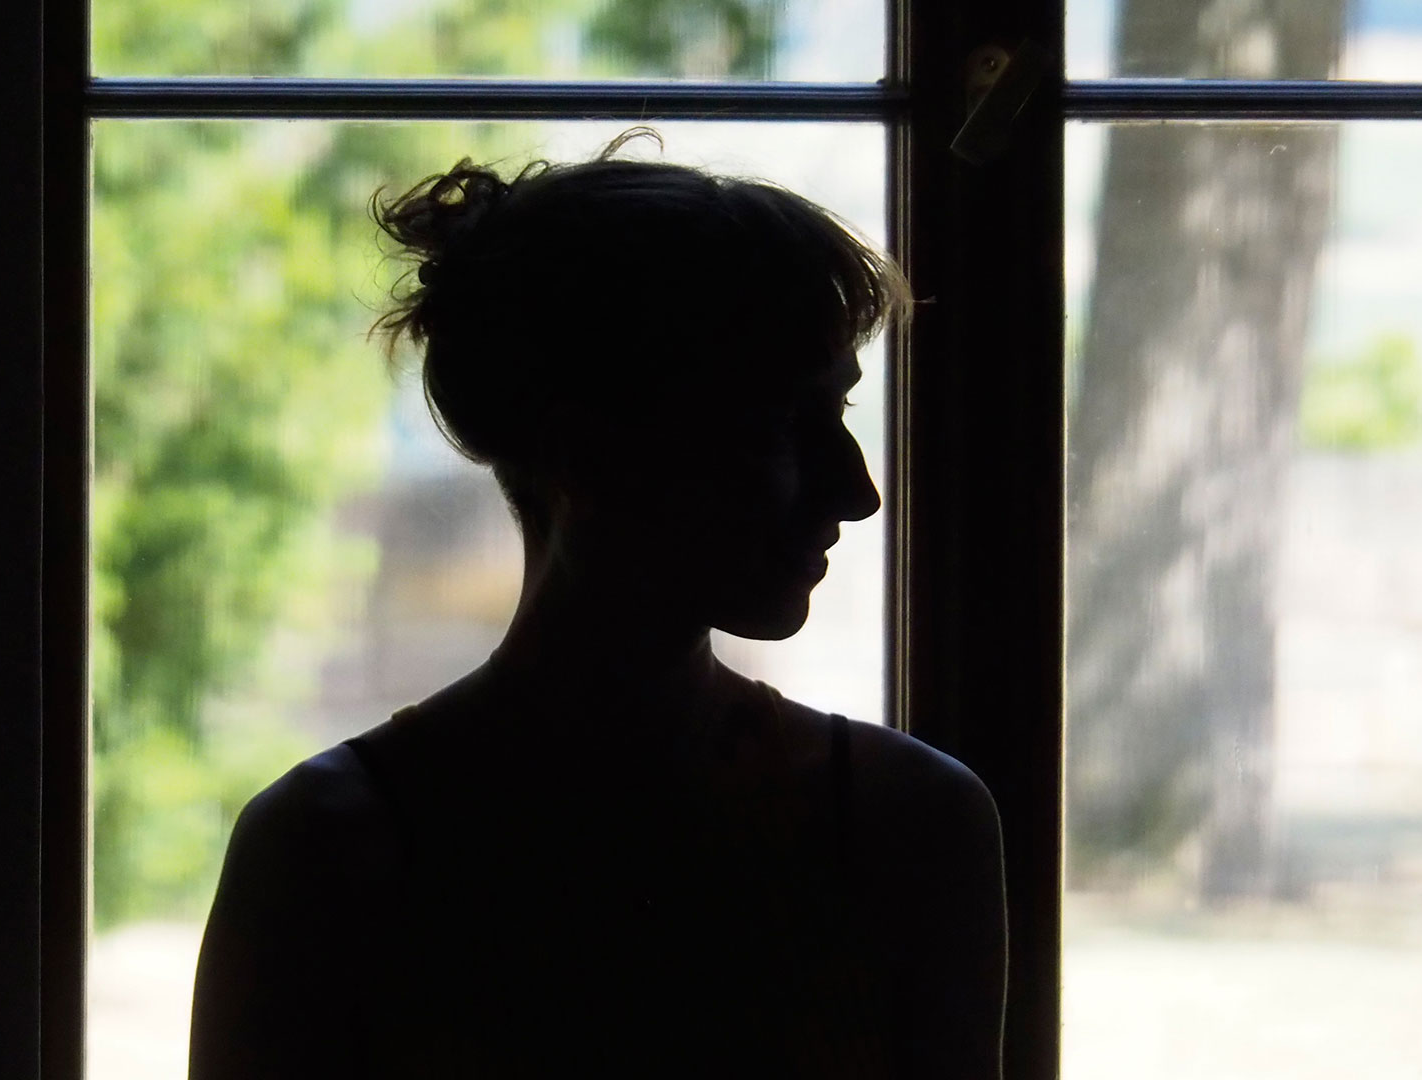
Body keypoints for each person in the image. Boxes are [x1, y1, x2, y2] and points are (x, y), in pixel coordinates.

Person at [188, 129, 1006, 1079]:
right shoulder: (898, 823)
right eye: (783, 422)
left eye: (839, 413)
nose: (857, 491)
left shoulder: (335, 844)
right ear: (586, 449)